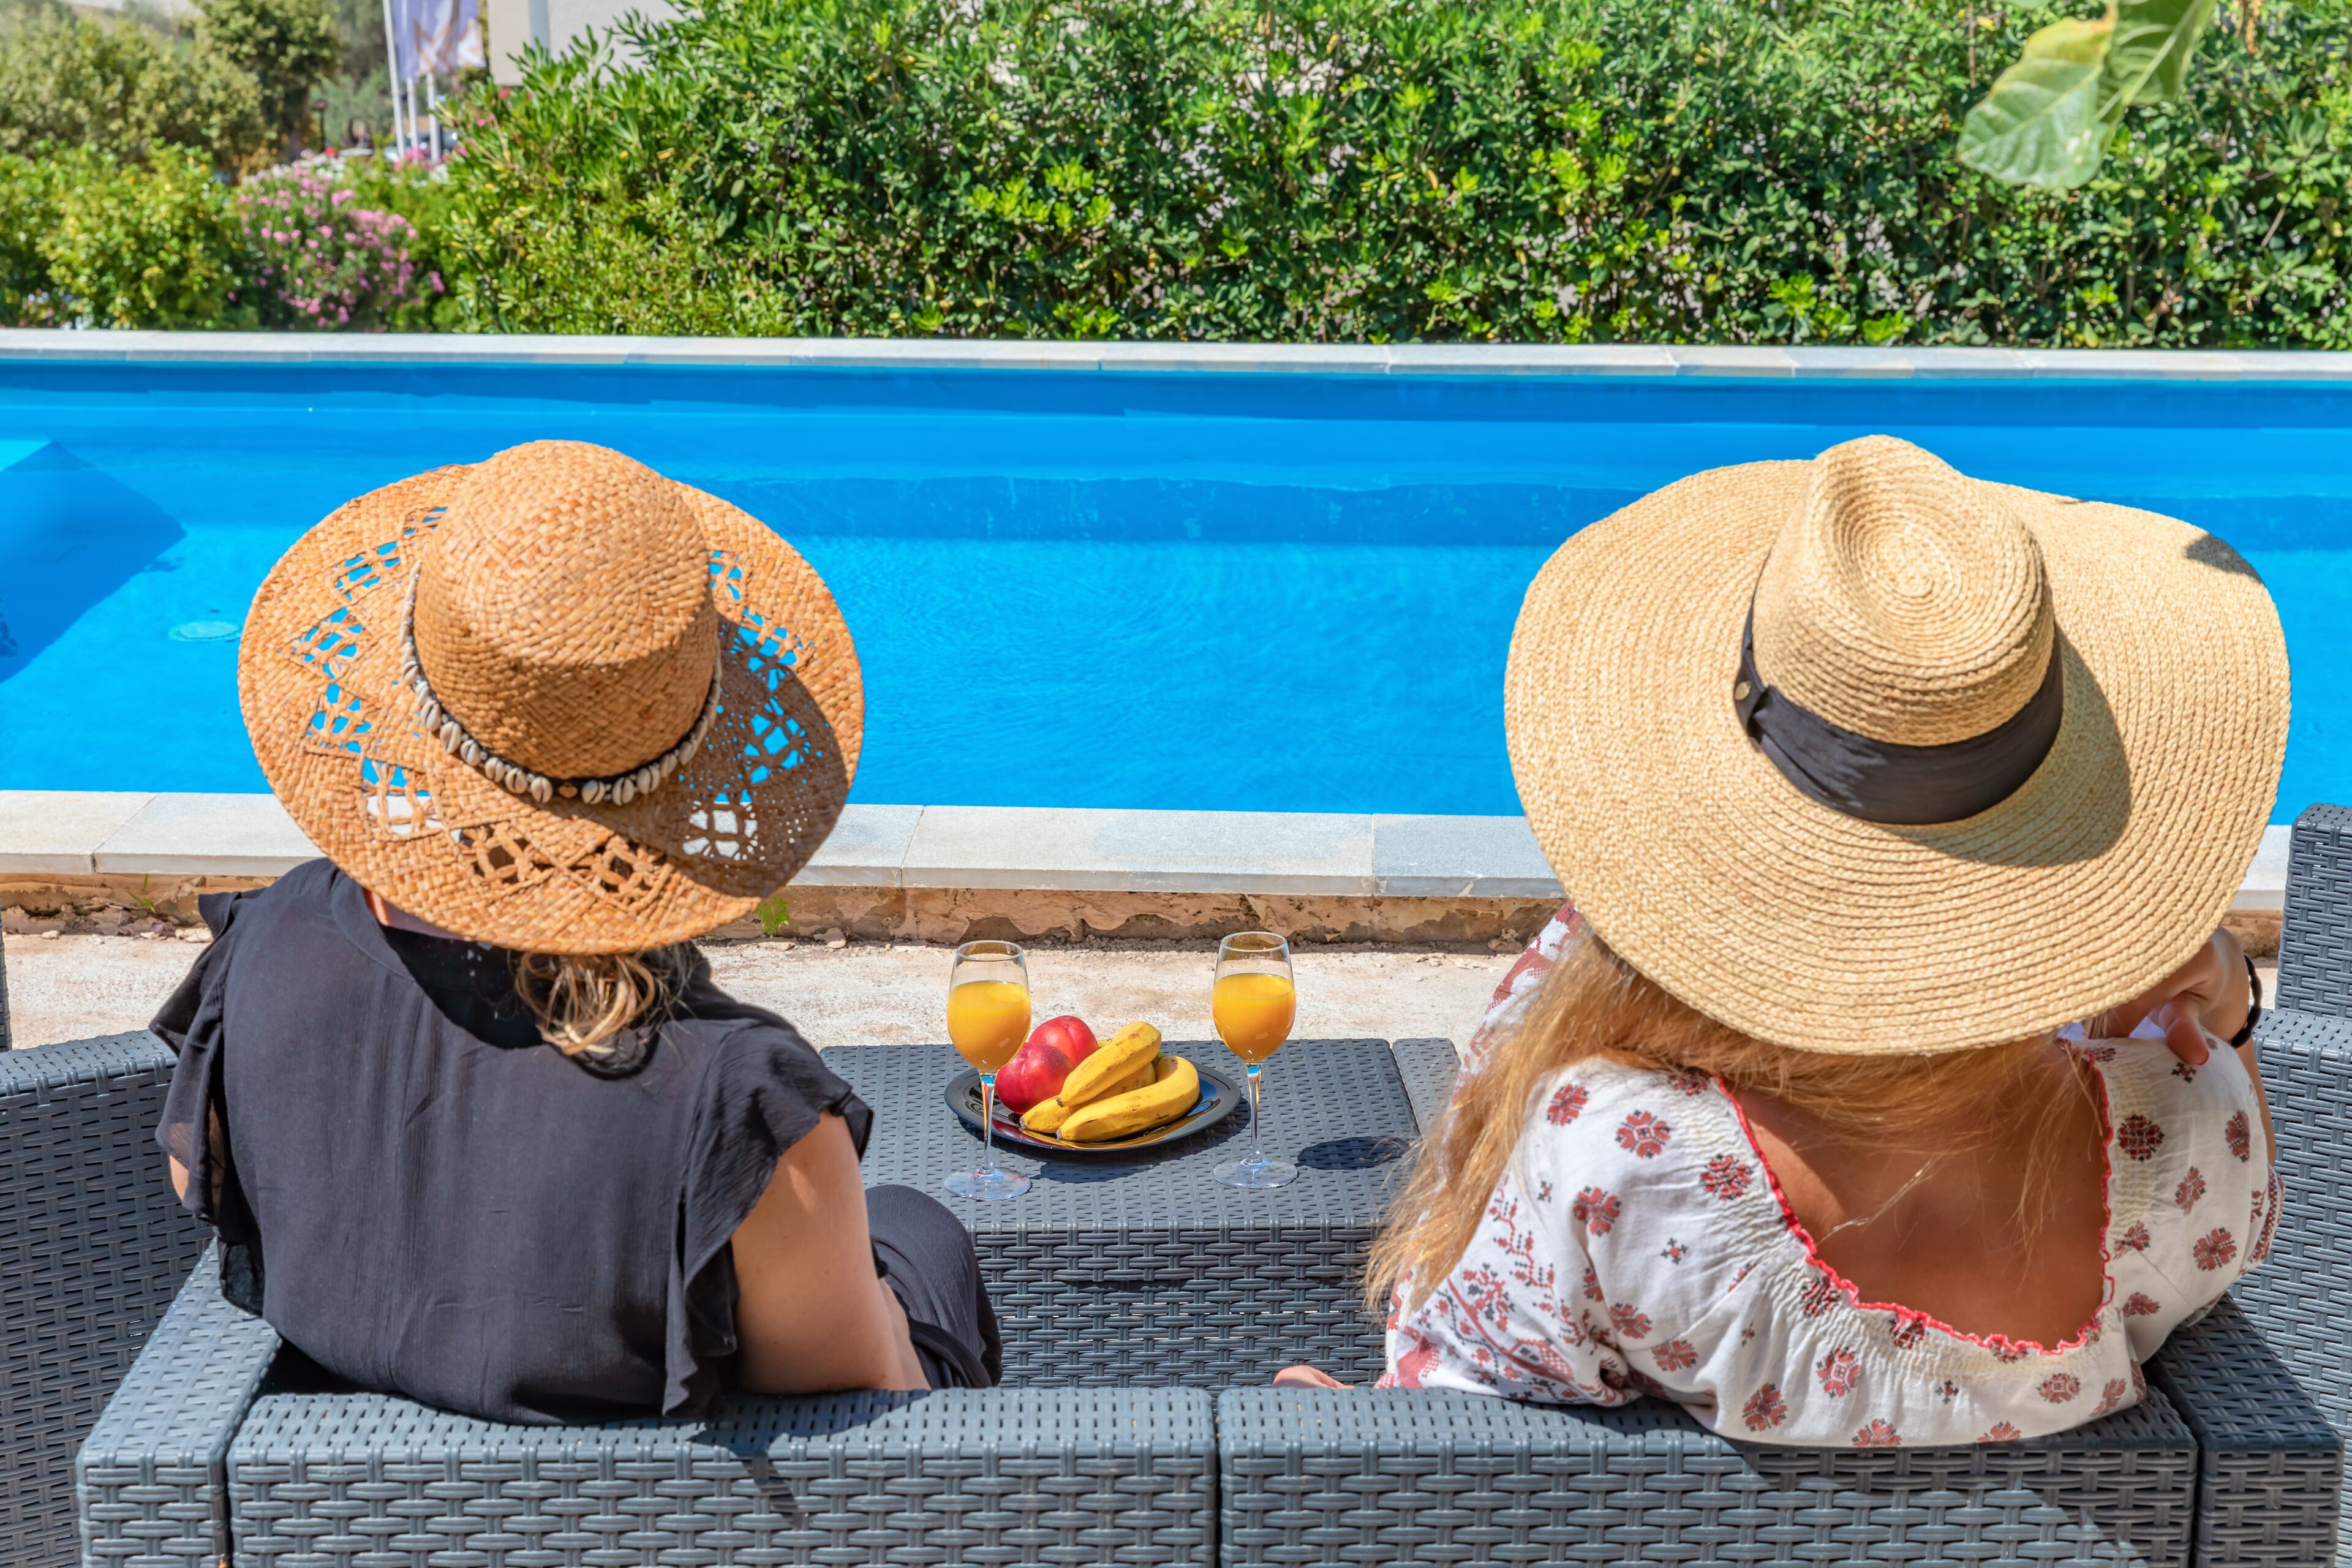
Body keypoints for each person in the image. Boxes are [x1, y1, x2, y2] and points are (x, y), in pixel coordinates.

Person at [1287, 434, 2288, 1447]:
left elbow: (1469, 1405)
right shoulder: (2182, 1131)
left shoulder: (1618, 1157)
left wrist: (1352, 1434)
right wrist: (2232, 1014)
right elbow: (2239, 1236)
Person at [154, 439, 998, 1424]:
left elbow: (199, 1173)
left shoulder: (269, 941)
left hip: (349, 1514)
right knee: (920, 1235)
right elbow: (871, 1414)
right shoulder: (739, 1104)